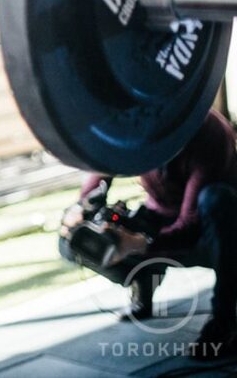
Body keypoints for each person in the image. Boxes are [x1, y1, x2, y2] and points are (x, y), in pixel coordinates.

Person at [60, 109, 237, 358]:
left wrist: (137, 244)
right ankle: (143, 279)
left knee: (217, 201)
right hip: (160, 216)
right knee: (73, 240)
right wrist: (82, 207)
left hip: (213, 229)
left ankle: (226, 320)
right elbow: (103, 161)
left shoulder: (209, 132)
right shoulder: (136, 122)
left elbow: (189, 224)